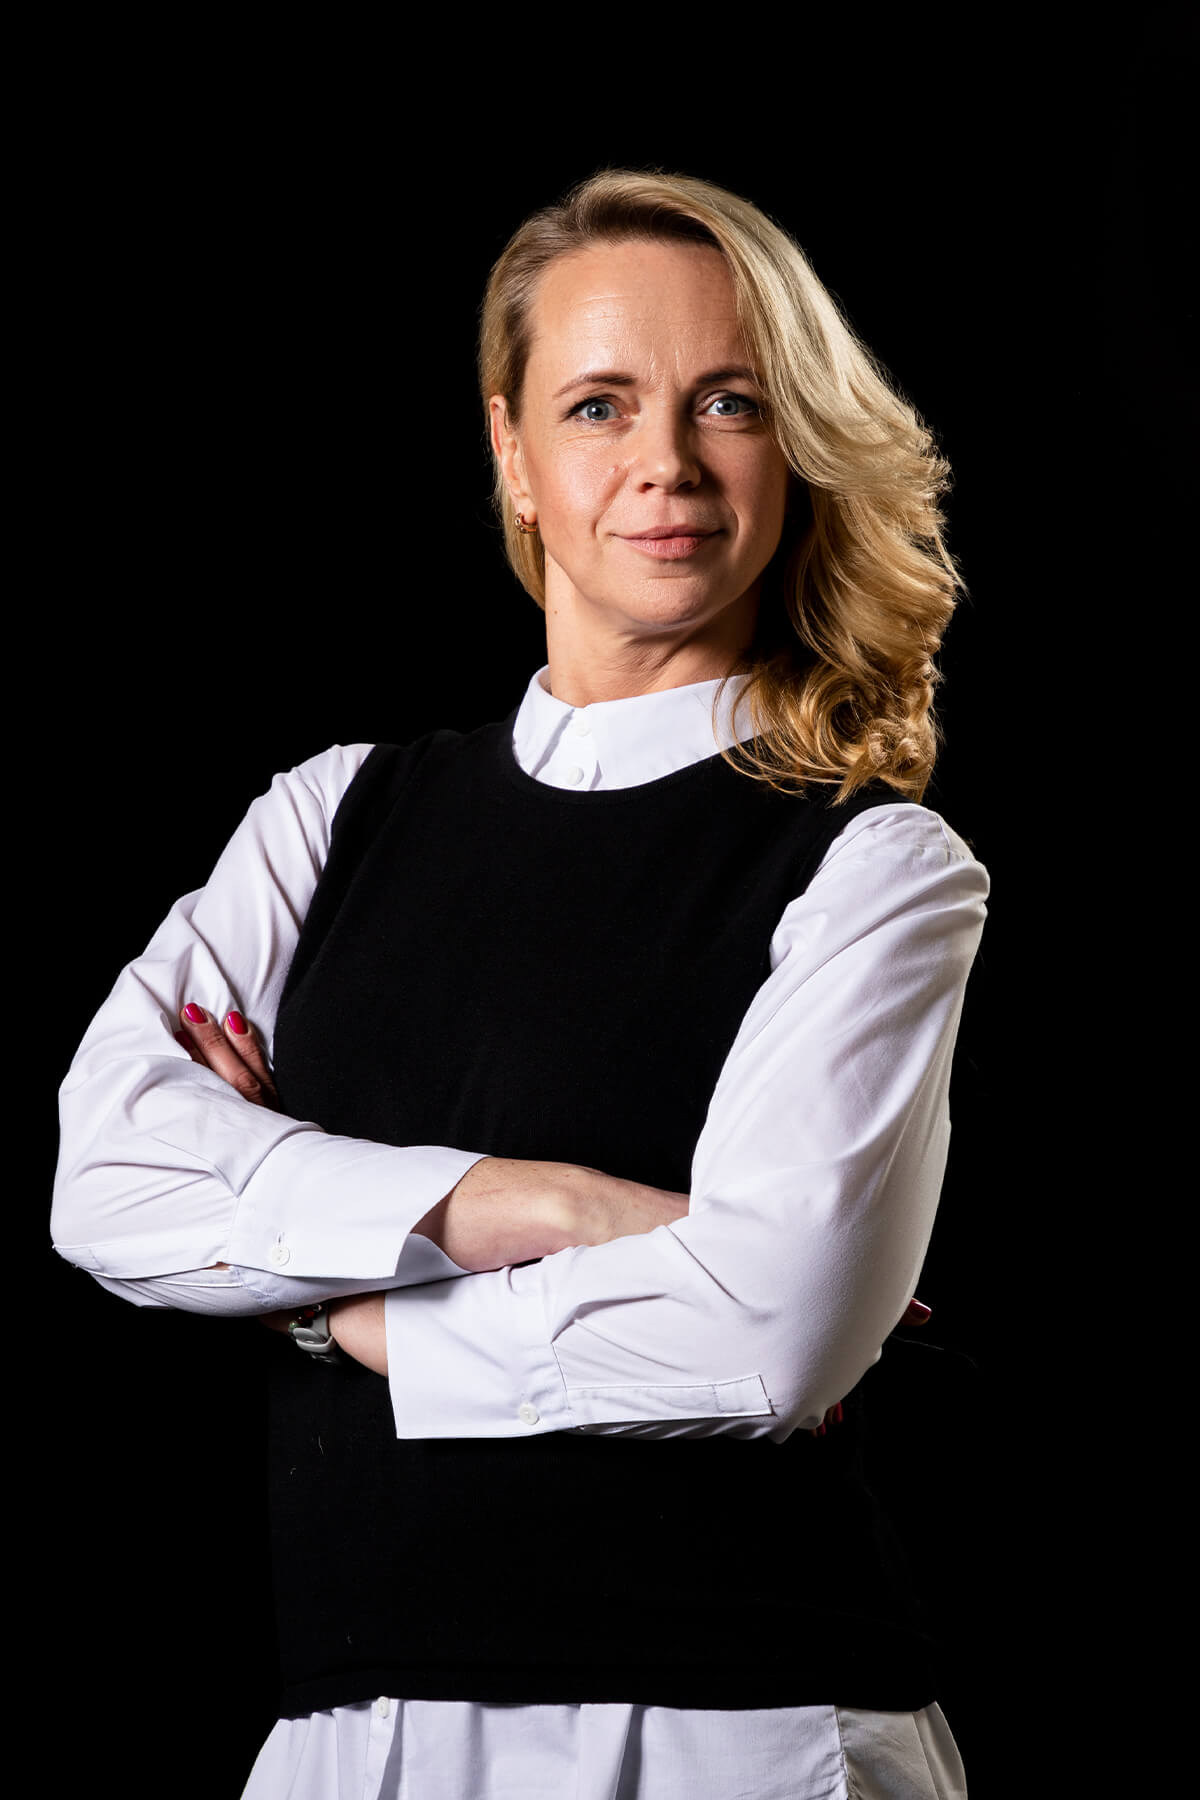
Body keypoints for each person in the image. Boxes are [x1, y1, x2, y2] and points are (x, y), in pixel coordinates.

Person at [52, 167, 989, 1798]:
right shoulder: (332, 816)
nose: (665, 463)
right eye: (598, 405)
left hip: (743, 1731)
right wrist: (541, 1206)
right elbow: (109, 1177)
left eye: (729, 402)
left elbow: (771, 1336)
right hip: (360, 1735)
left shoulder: (874, 867)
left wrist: (331, 1302)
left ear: (794, 446)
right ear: (513, 454)